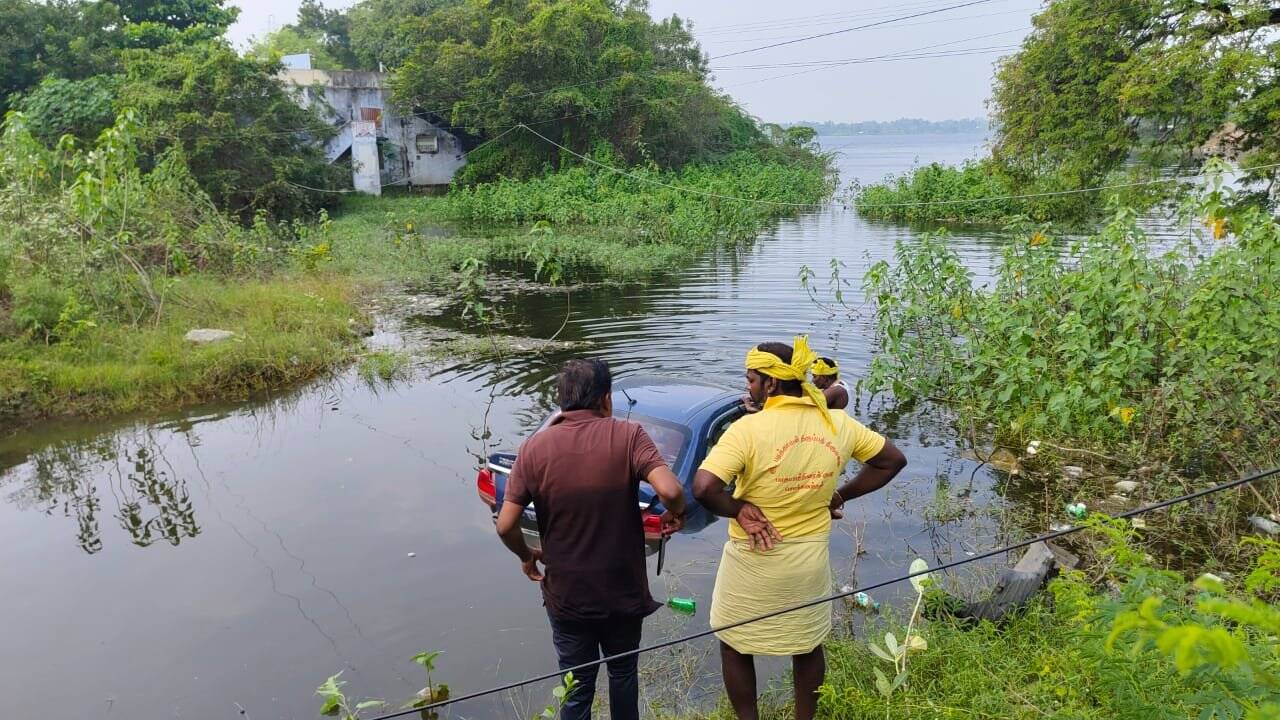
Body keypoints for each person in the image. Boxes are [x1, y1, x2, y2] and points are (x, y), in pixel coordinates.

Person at [693, 337, 907, 720]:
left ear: (771, 384)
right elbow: (892, 461)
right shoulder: (837, 423)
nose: (749, 387)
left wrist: (739, 509)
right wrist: (839, 496)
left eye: (752, 380)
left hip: (752, 559)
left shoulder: (748, 430)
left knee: (734, 643)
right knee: (807, 646)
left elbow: (704, 487)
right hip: (808, 559)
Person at [497, 358, 686, 720]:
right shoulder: (628, 435)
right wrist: (677, 511)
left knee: (578, 685)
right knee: (622, 674)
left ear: (561, 400)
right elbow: (670, 488)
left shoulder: (534, 449)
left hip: (567, 595)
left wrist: (526, 554)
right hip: (623, 592)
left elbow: (506, 525)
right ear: (607, 399)